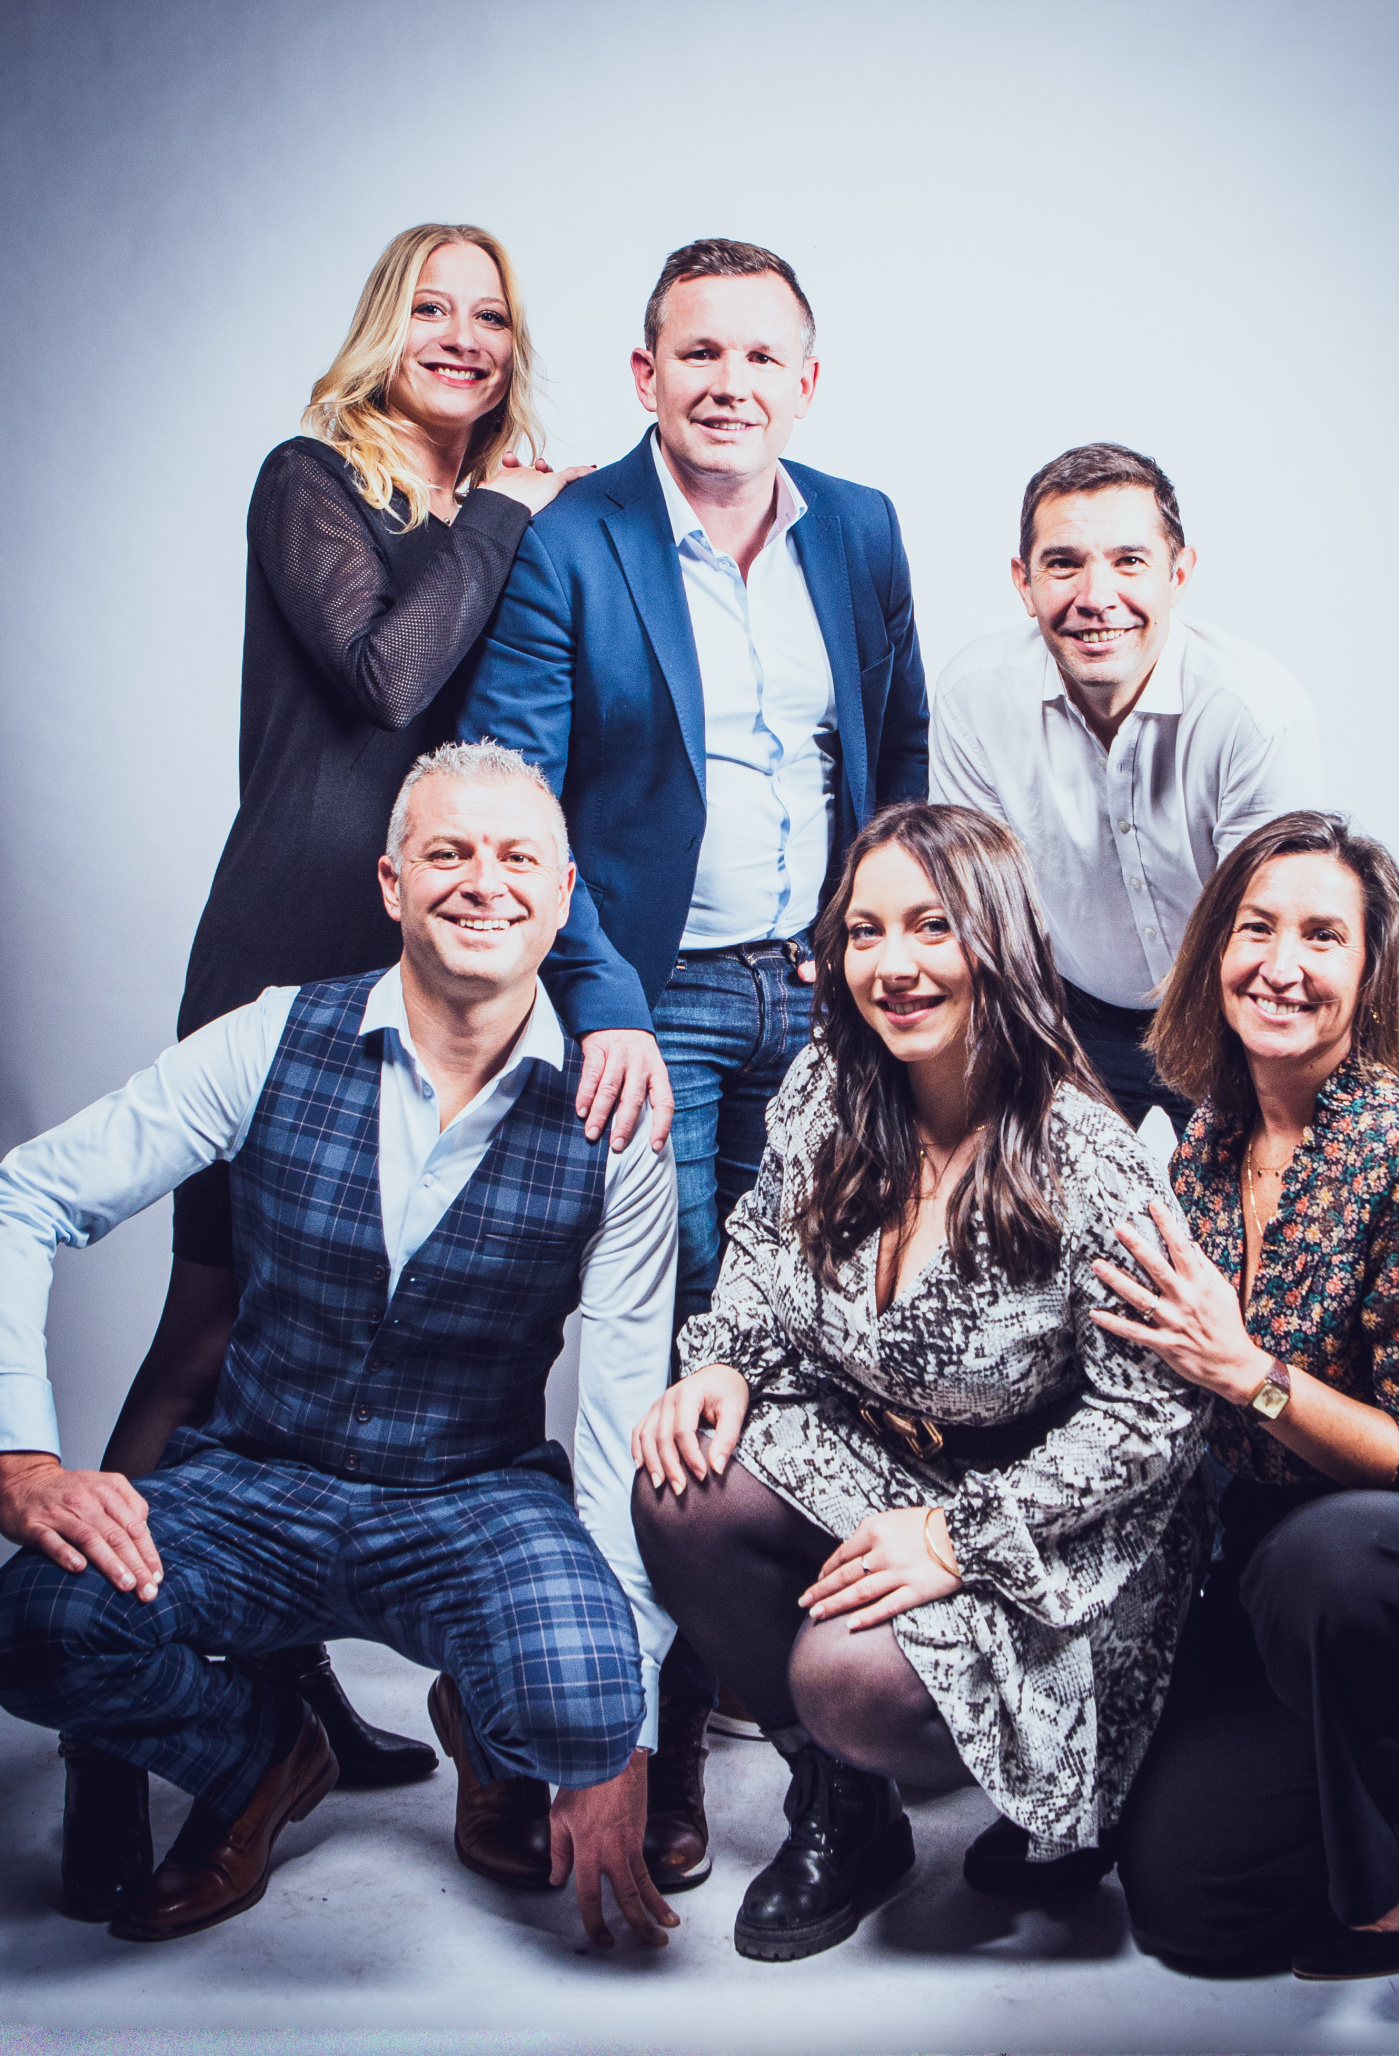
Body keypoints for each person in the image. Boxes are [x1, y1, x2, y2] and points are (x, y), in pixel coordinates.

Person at [58, 221, 609, 1925]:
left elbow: (516, 729)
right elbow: (387, 675)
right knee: (214, 1325)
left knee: (383, 1324)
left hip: (449, 943)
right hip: (295, 932)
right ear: (385, 326)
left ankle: (301, 1706)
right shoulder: (314, 480)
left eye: (490, 314)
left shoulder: (510, 516)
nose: (462, 335)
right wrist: (498, 514)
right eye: (431, 307)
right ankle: (105, 1751)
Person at [0, 743, 679, 1952]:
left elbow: (622, 1410)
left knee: (589, 1698)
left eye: (517, 857)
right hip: (255, 1481)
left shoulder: (614, 1114)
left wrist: (621, 1737)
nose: (484, 882)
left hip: (471, 1497)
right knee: (31, 1622)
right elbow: (25, 1198)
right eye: (448, 853)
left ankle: (490, 1726)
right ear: (390, 883)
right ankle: (261, 1755)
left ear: (564, 893)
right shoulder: (271, 1036)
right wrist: (20, 1456)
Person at [457, 237, 930, 1886]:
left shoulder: (858, 526)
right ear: (646, 376)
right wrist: (602, 1001)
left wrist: (881, 962)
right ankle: (635, 1741)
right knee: (650, 1362)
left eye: (761, 357)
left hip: (823, 998)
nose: (731, 384)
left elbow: (895, 754)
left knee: (798, 1351)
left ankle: (784, 1709)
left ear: (809, 379)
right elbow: (518, 793)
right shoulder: (574, 539)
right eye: (699, 354)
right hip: (649, 1004)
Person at [630, 802, 1212, 1961]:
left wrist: (958, 1535)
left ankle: (1046, 1770)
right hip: (882, 1452)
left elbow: (1155, 1417)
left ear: (997, 938)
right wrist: (726, 1359)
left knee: (844, 1673)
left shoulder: (1087, 1156)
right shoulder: (827, 1088)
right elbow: (761, 1242)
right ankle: (843, 1811)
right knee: (681, 1480)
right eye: (866, 931)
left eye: (931, 926)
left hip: (1048, 1520)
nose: (892, 965)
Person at [1095, 811, 1399, 1978]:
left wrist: (1249, 1375)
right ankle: (1372, 1773)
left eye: (1322, 936)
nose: (1281, 963)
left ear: (1369, 974)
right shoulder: (1204, 1145)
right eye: (1256, 927)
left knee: (1337, 1555)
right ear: (1215, 950)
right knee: (1191, 1909)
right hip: (1287, 1558)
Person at [930, 442, 1320, 1135]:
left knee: (1248, 1197)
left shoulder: (1254, 712)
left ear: (1179, 573)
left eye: (1129, 561)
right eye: (1063, 564)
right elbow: (980, 909)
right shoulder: (974, 696)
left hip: (1230, 1008)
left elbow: (1271, 926)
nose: (1095, 597)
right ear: (1023, 582)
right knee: (1035, 1198)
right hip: (1066, 1009)